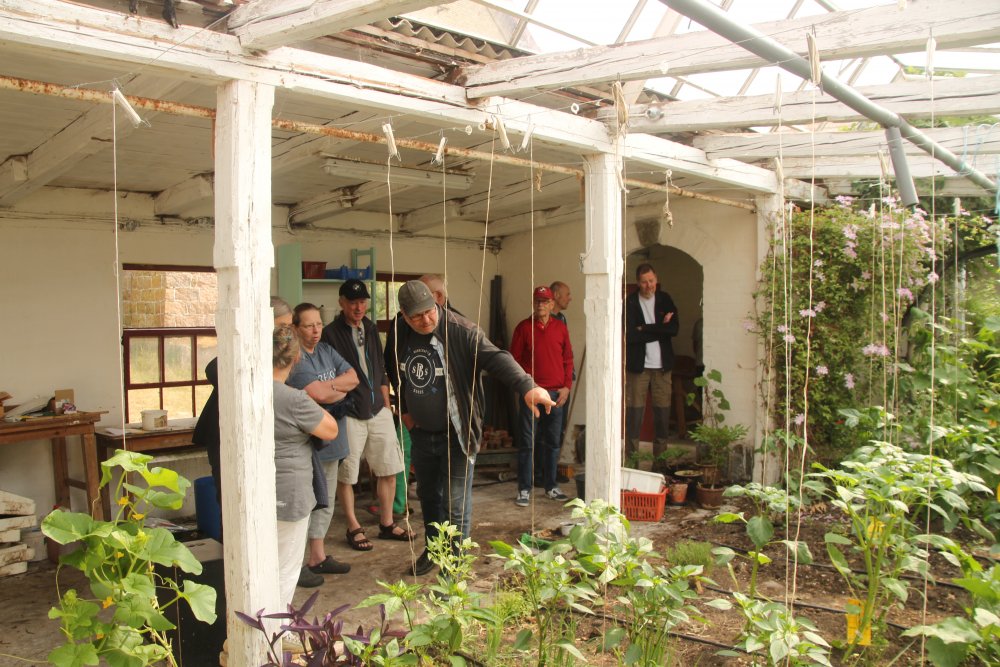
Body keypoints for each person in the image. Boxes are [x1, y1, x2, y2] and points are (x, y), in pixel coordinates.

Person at [386, 280, 555, 576]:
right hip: (421, 434)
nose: (425, 320)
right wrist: (406, 412)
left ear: (436, 303)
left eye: (429, 311)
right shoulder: (399, 330)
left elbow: (498, 358)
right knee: (429, 497)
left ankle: (454, 570)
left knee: (455, 504)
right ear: (403, 315)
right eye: (416, 316)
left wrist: (527, 386)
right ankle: (434, 550)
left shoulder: (462, 331)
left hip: (458, 432)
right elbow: (393, 368)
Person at [321, 279, 411, 552]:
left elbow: (379, 365)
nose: (358, 307)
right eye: (352, 302)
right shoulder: (330, 333)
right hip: (349, 412)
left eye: (362, 302)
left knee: (389, 468)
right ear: (341, 303)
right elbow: (328, 373)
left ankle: (387, 523)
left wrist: (385, 399)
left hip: (377, 408)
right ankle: (353, 525)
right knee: (347, 474)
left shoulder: (370, 328)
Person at [193, 296, 292, 536]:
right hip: (225, 437)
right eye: (282, 327)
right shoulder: (243, 348)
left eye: (289, 327)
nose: (287, 334)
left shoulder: (281, 353)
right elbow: (213, 368)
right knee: (231, 503)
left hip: (259, 438)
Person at [287, 303, 359, 587]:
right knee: (307, 503)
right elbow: (318, 394)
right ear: (295, 328)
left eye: (319, 324)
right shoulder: (296, 359)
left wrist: (331, 389)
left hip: (334, 440)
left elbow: (354, 377)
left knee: (326, 501)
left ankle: (317, 556)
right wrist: (338, 390)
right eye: (308, 325)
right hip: (311, 442)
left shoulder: (326, 351)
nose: (316, 330)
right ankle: (297, 563)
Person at [271, 324, 340, 611]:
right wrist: (315, 399)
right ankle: (276, 627)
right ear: (297, 358)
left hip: (256, 491)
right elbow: (330, 429)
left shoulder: (247, 391)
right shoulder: (293, 398)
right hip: (290, 491)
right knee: (285, 569)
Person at [510, 286, 573, 506]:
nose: (541, 305)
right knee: (528, 442)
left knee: (553, 442)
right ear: (533, 303)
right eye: (538, 301)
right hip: (532, 393)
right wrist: (526, 386)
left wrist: (567, 387)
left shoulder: (560, 328)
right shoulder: (523, 328)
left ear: (552, 304)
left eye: (545, 301)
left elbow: (568, 359)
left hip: (556, 394)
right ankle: (524, 489)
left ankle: (551, 486)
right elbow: (514, 361)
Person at [624, 263, 679, 464]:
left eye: (652, 281)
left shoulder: (665, 299)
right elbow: (630, 336)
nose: (649, 285)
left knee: (662, 418)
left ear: (657, 279)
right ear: (638, 283)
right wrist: (659, 329)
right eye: (644, 282)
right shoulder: (630, 302)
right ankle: (632, 463)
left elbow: (673, 329)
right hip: (638, 368)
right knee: (634, 417)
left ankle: (660, 464)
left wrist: (645, 328)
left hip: (662, 368)